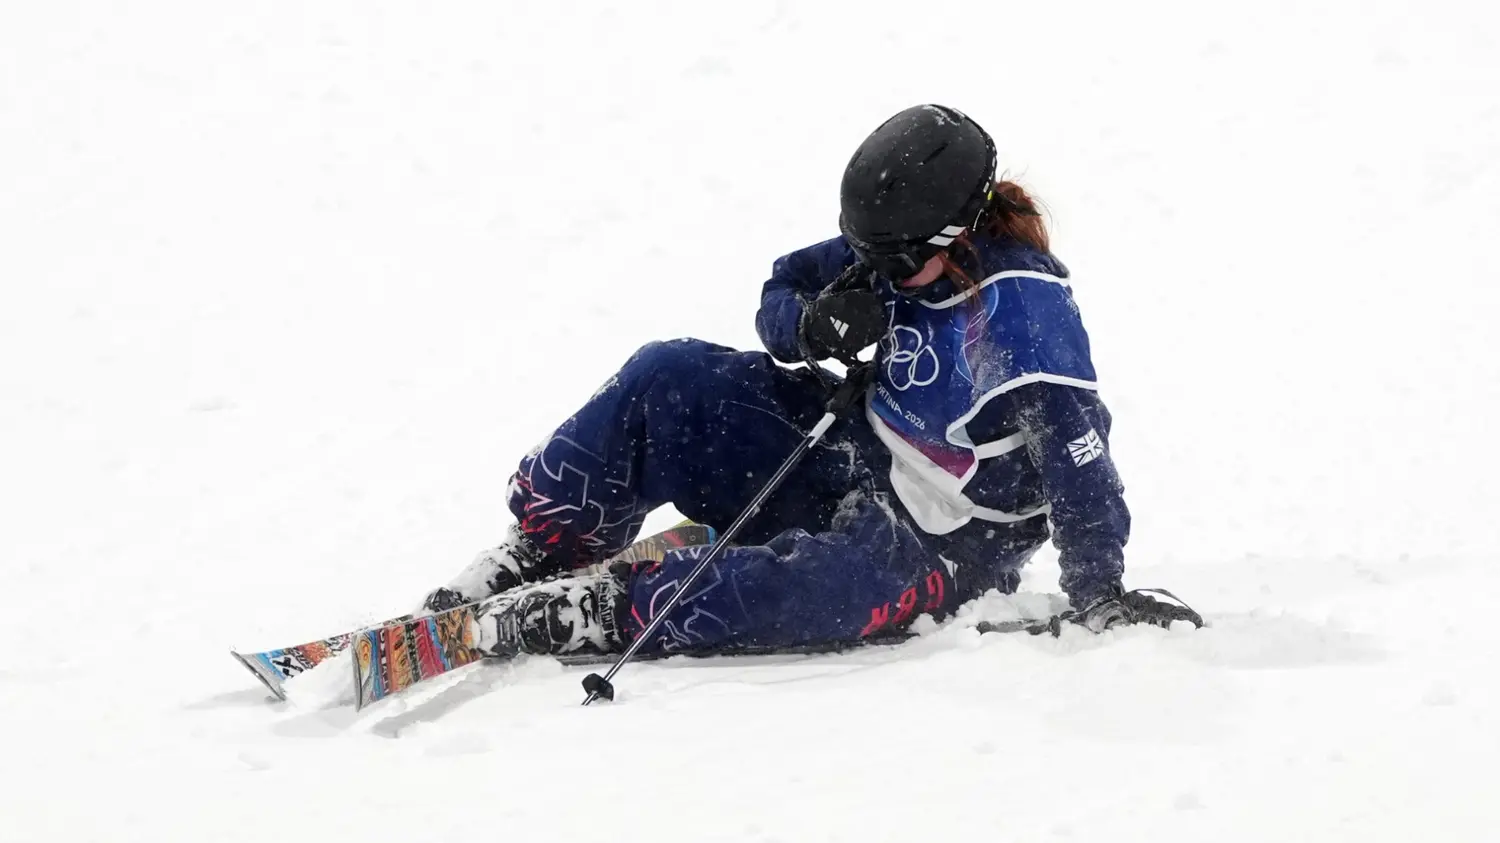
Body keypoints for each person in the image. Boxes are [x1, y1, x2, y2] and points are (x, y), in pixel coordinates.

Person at [422, 104, 1201, 660]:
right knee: (670, 373)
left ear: (957, 236)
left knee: (811, 593)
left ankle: (608, 608)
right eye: (871, 254)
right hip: (853, 451)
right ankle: (552, 538)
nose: (881, 272)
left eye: (896, 262)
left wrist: (1099, 587)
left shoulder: (1020, 323)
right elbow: (784, 283)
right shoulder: (894, 246)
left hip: (945, 542)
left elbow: (1081, 464)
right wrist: (810, 325)